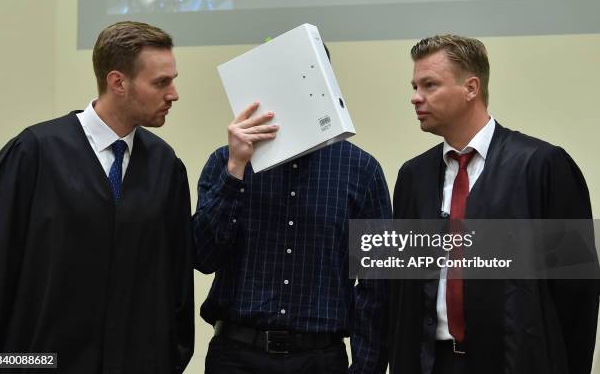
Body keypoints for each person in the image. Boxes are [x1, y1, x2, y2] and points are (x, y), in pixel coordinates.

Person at [0, 21, 194, 373]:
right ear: (118, 82)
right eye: (161, 82)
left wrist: (167, 360)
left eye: (172, 80)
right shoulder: (33, 154)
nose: (173, 93)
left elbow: (176, 283)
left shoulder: (165, 166)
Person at [387, 34, 599, 374]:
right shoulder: (414, 176)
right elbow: (401, 292)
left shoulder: (542, 166)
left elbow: (577, 293)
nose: (415, 97)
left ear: (471, 88)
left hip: (515, 360)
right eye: (415, 85)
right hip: (432, 362)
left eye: (429, 85)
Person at [193, 53, 391, 373]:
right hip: (236, 356)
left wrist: (367, 367)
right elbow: (202, 256)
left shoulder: (362, 171)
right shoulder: (226, 161)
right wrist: (235, 170)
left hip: (320, 359)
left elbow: (377, 282)